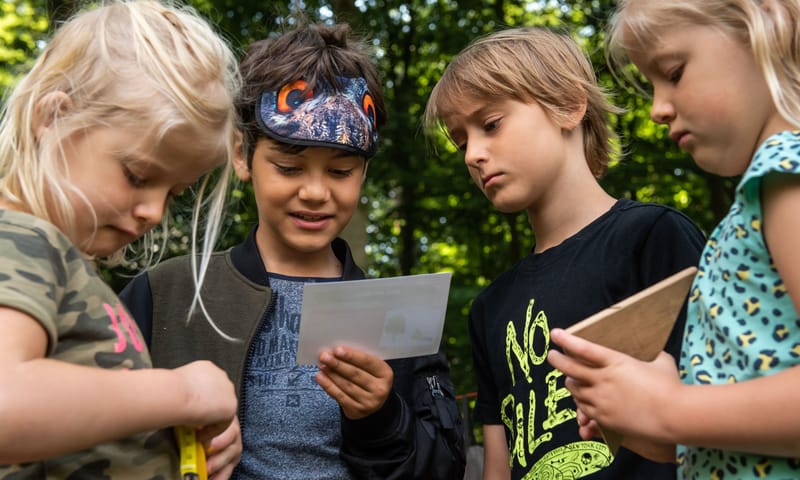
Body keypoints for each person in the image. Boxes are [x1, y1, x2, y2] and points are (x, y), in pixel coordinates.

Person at [119, 19, 467, 480]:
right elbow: (82, 438)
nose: (315, 192)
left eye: (341, 172)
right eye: (289, 167)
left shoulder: (400, 313)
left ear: (363, 173)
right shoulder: (166, 293)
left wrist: (383, 418)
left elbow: (445, 467)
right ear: (242, 156)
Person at [423, 27, 706, 480]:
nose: (472, 155)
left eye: (491, 124)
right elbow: (499, 465)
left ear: (569, 105)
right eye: (461, 142)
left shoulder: (652, 238)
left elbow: (719, 408)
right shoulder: (489, 308)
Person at [546, 0, 800, 478]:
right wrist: (658, 428)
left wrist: (670, 408)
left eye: (674, 72)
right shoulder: (759, 198)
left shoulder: (788, 174)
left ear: (761, 27)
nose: (658, 108)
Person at [0, 0, 243, 478]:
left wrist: (177, 440)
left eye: (173, 192)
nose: (154, 211)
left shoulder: (64, 265)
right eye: (136, 175)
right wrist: (184, 394)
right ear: (53, 119)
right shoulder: (20, 240)